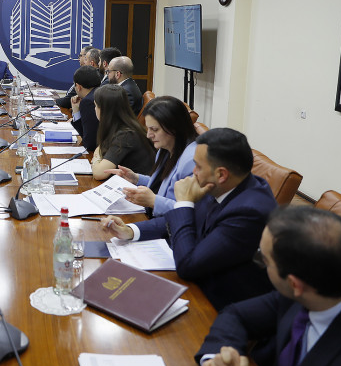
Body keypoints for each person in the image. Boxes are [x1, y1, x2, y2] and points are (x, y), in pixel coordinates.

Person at [101, 128, 277, 311]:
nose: (193, 172)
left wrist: (184, 203)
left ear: (221, 174)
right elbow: (180, 219)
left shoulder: (248, 212)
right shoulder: (223, 184)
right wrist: (131, 231)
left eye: (198, 166)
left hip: (219, 303)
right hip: (197, 280)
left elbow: (188, 266)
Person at [197, 206, 341, 366]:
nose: (260, 262)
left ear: (294, 284)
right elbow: (236, 315)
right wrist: (221, 360)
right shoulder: (311, 290)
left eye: (265, 260)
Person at [103, 95, 197, 216]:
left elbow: (190, 212)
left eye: (154, 129)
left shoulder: (192, 160)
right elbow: (163, 186)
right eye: (148, 129)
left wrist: (154, 201)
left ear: (174, 127)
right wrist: (136, 179)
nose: (149, 135)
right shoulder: (165, 149)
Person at [89, 84, 155, 180]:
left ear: (104, 109)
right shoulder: (123, 126)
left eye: (96, 105)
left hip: (140, 187)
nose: (94, 109)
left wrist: (96, 159)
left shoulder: (126, 135)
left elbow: (99, 173)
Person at [70, 65, 104, 152]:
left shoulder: (88, 101)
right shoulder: (100, 93)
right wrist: (76, 110)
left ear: (78, 86)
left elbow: (89, 142)